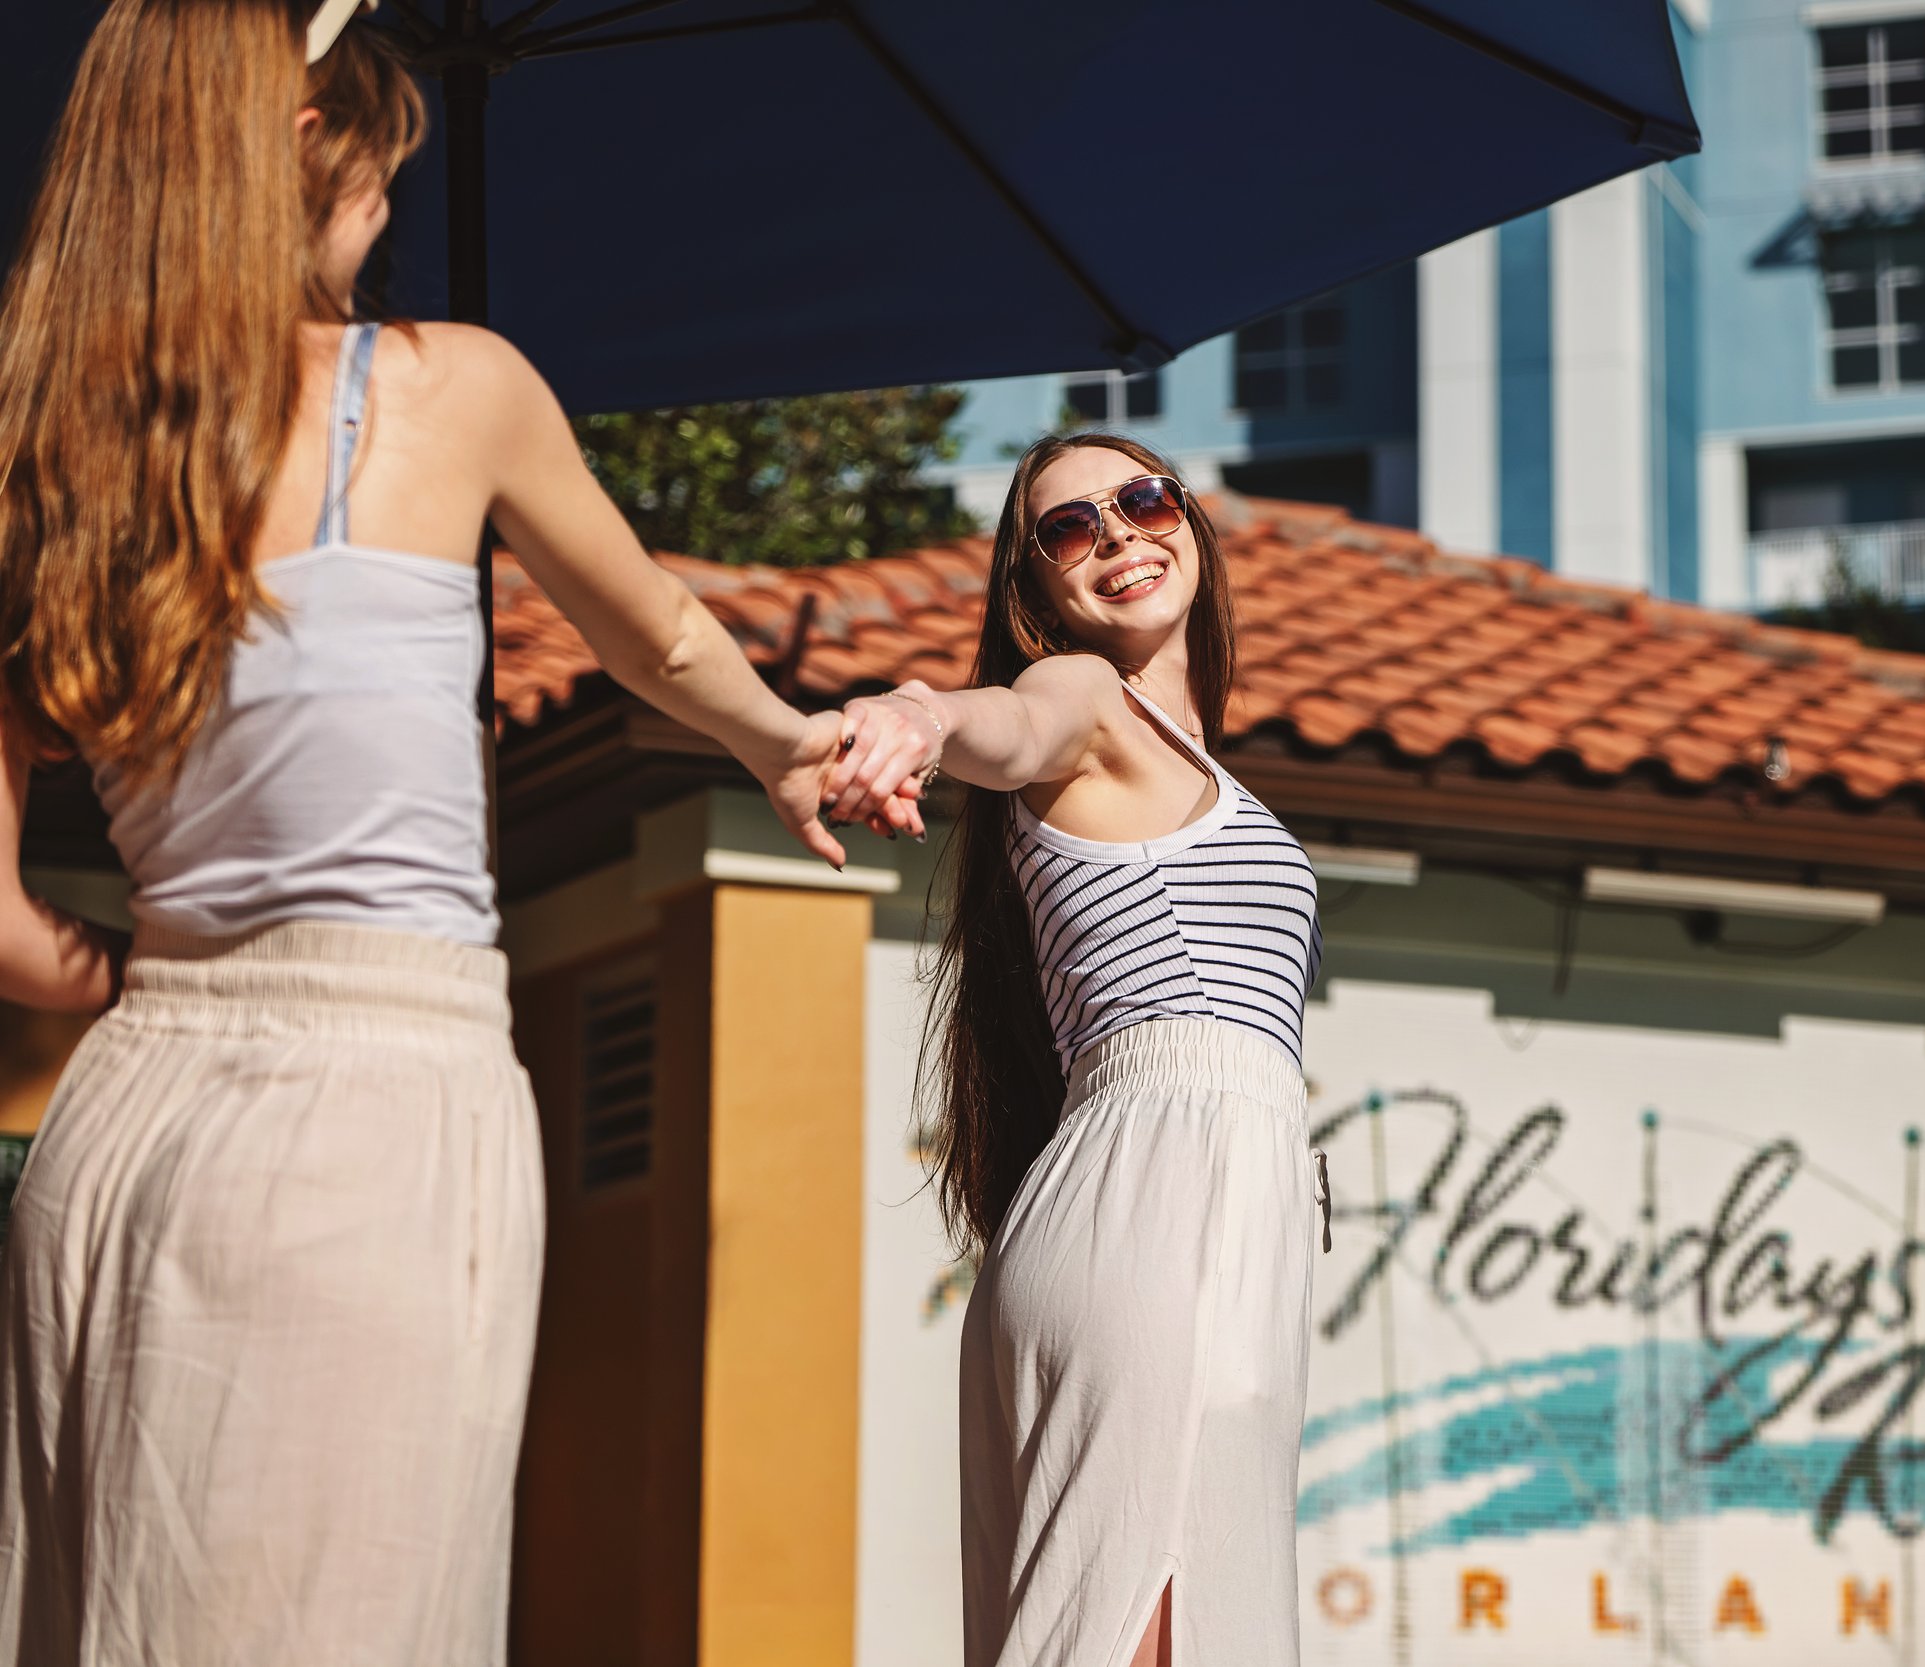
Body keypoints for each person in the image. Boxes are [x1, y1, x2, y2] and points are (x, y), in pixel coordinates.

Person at [0, 2, 902, 1660]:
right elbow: (660, 639)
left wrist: (154, 975)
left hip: (124, 1132)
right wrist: (786, 749)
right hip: (369, 1103)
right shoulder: (449, 390)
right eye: (377, 182)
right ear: (295, 151)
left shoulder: (45, 457)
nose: (388, 219)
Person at [821, 433, 1326, 1667]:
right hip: (1158, 1213)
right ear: (1034, 594)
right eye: (1068, 528)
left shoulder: (1202, 769)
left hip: (1192, 1216)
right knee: (1146, 1620)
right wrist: (914, 714)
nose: (1117, 535)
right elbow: (998, 719)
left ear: (1192, 521)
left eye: (1143, 499)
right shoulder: (1089, 703)